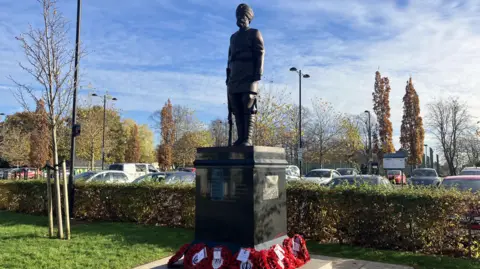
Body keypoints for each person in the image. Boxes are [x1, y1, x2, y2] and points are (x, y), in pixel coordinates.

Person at [226, 3, 265, 146]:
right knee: (236, 105)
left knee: (248, 101)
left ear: (248, 18)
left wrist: (258, 72)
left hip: (249, 72)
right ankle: (240, 138)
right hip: (235, 74)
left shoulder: (255, 33)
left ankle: (247, 138)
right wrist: (228, 76)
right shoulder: (233, 37)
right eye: (238, 16)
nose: (240, 19)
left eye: (242, 16)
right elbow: (229, 58)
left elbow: (260, 52)